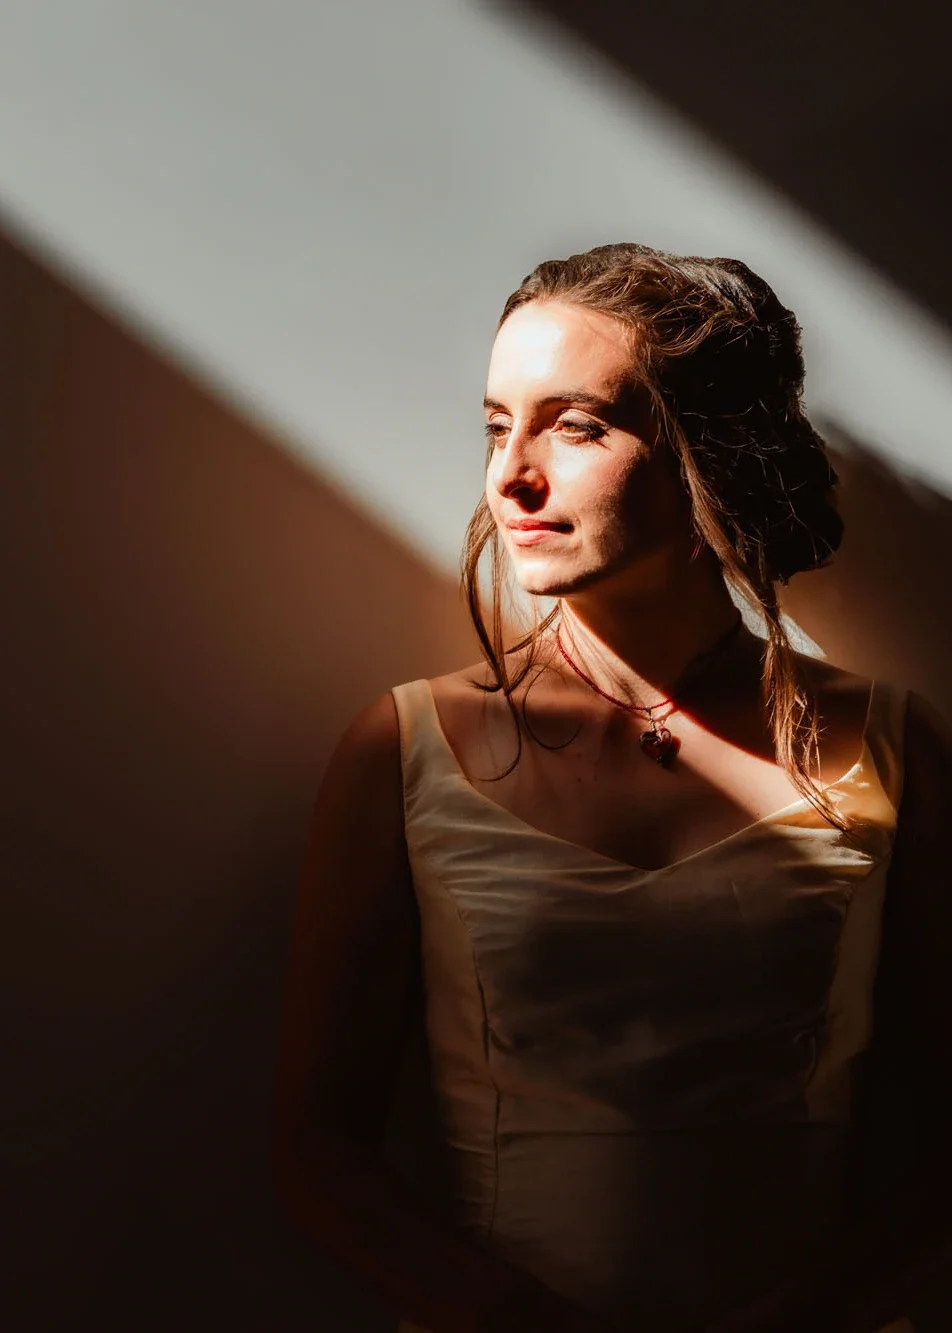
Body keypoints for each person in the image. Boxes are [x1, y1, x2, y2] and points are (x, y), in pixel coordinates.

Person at [272, 244, 952, 1333]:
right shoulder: (403, 747)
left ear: (708, 456)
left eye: (576, 425)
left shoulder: (889, 744)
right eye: (498, 425)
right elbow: (315, 1148)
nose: (511, 476)